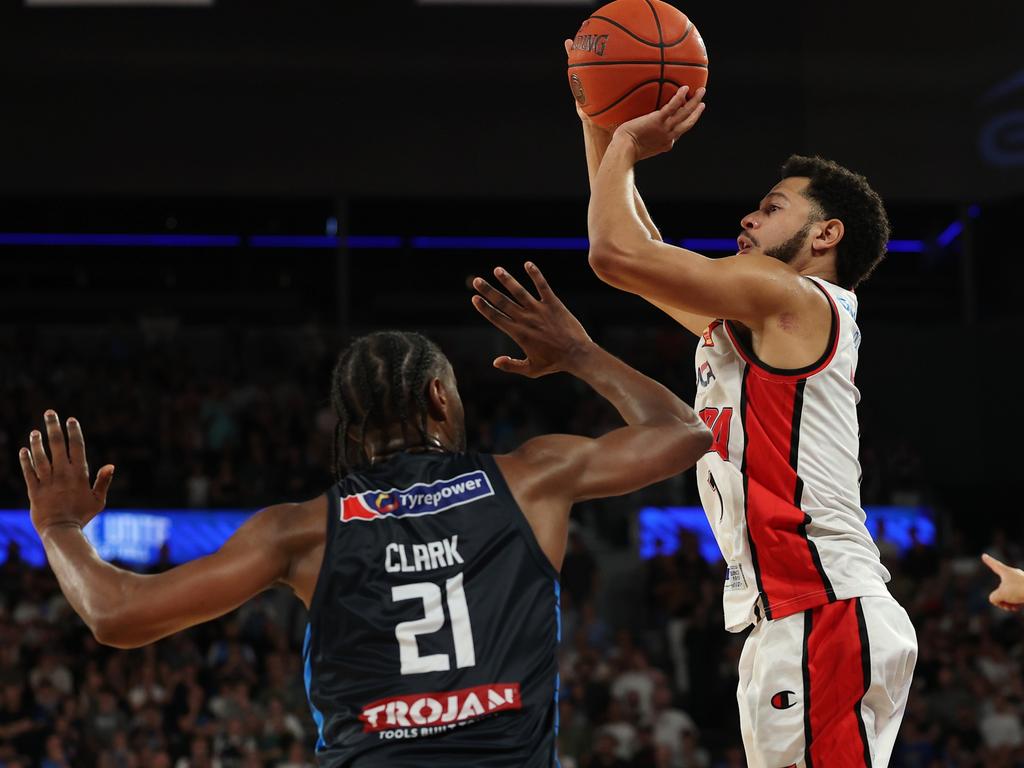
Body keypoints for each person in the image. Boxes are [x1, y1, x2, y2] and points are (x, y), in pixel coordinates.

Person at [18, 263, 711, 768]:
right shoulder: (533, 477)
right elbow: (683, 433)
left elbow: (117, 613)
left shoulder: (297, 531)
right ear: (440, 398)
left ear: (348, 426)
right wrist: (581, 355)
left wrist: (59, 529)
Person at [566, 40, 918, 767]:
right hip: (795, 618)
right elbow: (641, 257)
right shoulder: (765, 321)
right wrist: (595, 113)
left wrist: (627, 140)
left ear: (825, 235)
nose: (747, 221)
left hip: (823, 610)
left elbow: (613, 255)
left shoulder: (791, 296)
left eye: (772, 207)